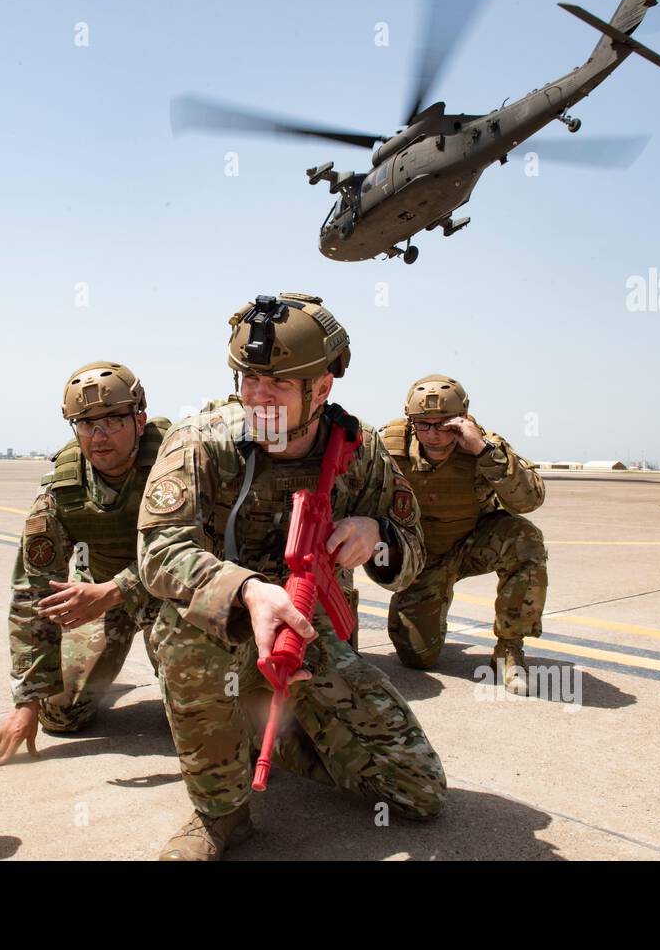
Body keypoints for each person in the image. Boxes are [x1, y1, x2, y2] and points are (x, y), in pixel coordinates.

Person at [137, 294, 447, 860]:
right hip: (224, 629)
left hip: (313, 634)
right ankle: (221, 815)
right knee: (183, 635)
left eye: (276, 383)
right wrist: (249, 592)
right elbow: (159, 551)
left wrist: (378, 535)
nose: (257, 394)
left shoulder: (360, 450)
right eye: (249, 377)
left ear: (321, 388)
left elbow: (414, 558)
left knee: (419, 792)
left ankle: (264, 741)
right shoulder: (201, 441)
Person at [0, 362, 170, 765]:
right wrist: (27, 701)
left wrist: (117, 589)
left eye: (112, 421)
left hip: (173, 597)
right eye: (85, 425)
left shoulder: (176, 466)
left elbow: (192, 553)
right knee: (59, 714)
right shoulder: (61, 491)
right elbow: (32, 594)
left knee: (198, 710)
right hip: (100, 600)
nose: (98, 437)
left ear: (140, 419)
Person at [381, 375, 548, 693]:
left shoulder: (484, 446)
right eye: (423, 425)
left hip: (472, 544)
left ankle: (509, 650)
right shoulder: (390, 446)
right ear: (411, 421)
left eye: (444, 425)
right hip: (421, 559)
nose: (434, 435)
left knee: (524, 539)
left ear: (464, 419)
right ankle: (434, 602)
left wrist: (484, 452)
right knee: (417, 656)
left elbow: (530, 500)